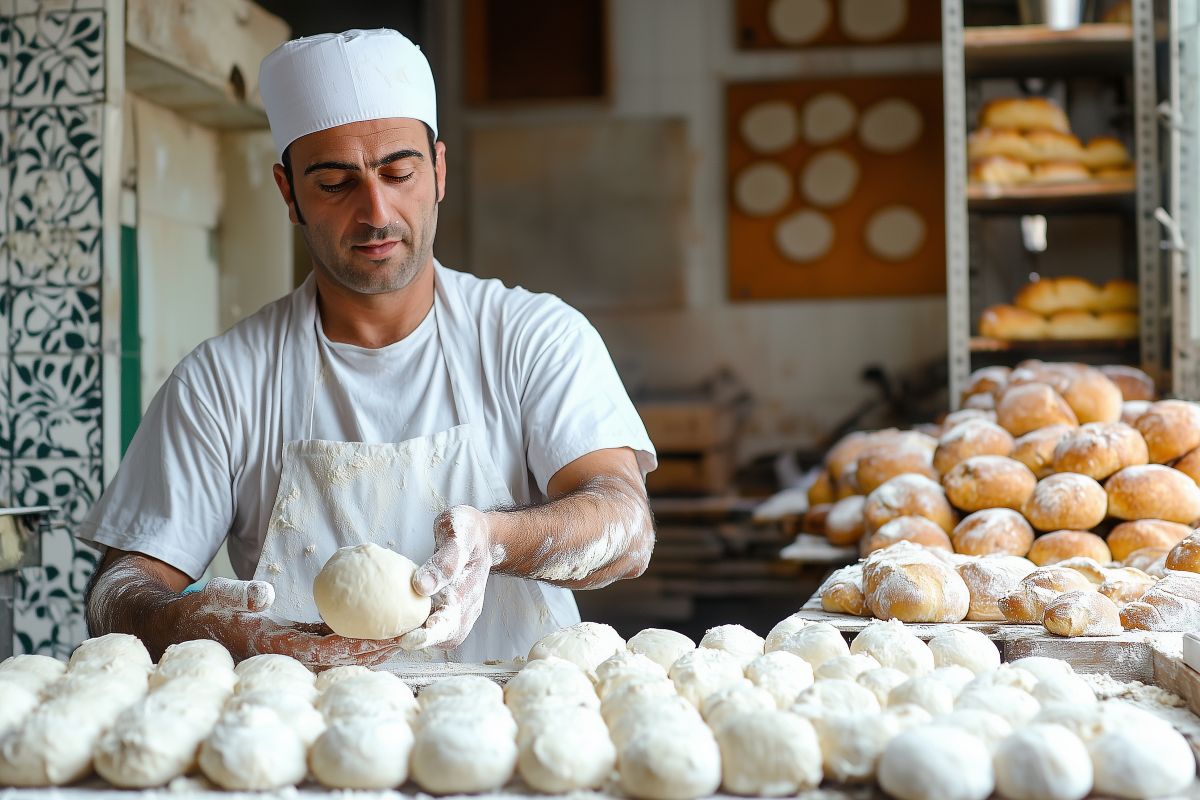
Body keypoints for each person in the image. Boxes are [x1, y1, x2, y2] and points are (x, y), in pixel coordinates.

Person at [79, 29, 657, 667]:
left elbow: (623, 525)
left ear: (437, 172)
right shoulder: (223, 382)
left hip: (518, 728)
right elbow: (119, 592)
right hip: (299, 737)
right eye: (334, 184)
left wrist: (493, 539)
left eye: (399, 173)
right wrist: (196, 626)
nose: (376, 212)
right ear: (289, 193)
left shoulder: (533, 337)